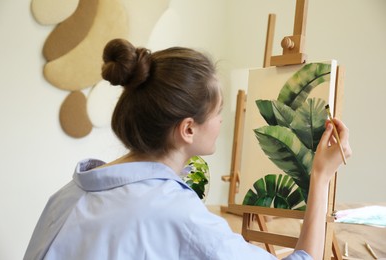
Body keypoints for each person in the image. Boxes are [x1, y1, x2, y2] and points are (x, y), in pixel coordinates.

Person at [24, 39, 352, 260]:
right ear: (188, 128)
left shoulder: (69, 193)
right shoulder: (174, 212)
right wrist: (320, 175)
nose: (224, 121)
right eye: (219, 112)